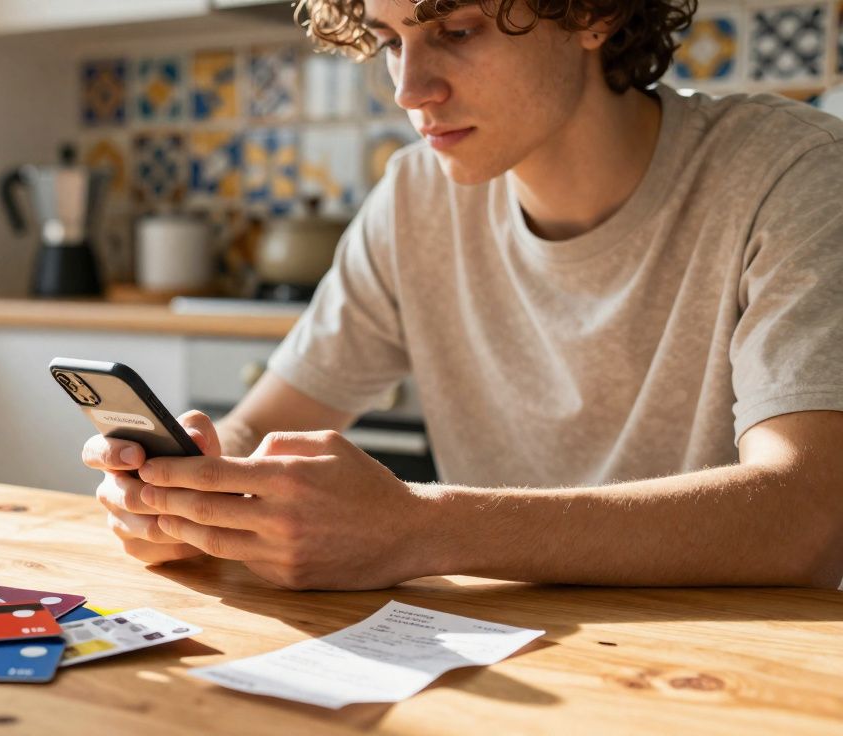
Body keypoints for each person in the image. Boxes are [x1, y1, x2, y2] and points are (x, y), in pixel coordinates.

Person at [82, 0, 843, 590]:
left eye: (457, 30)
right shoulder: (414, 197)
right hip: (497, 657)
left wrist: (419, 527)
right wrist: (189, 493)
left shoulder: (790, 174)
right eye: (390, 40)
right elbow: (260, 424)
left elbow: (805, 514)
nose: (410, 90)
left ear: (594, 12)